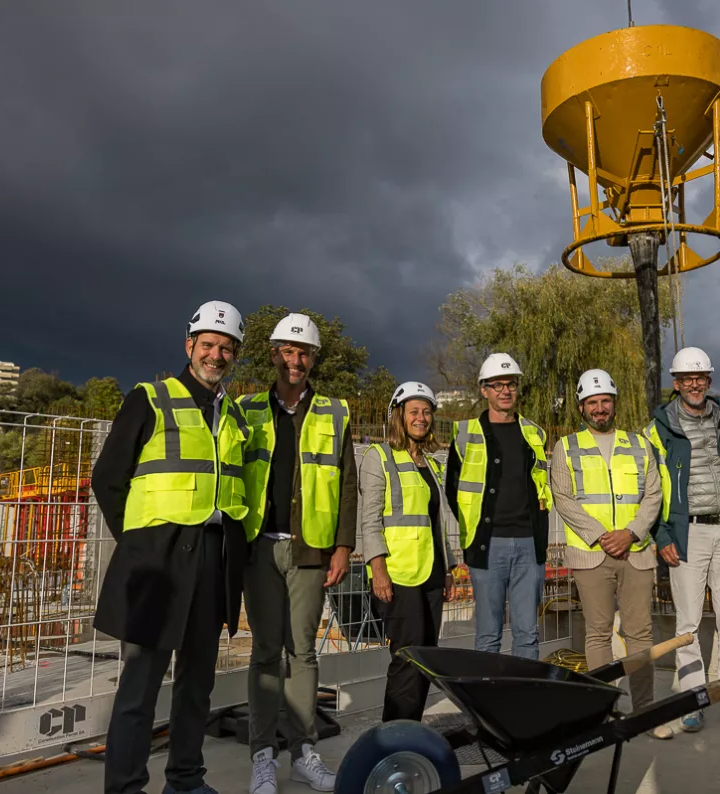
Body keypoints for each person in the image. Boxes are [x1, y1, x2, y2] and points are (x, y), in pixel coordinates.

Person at [92, 300, 250, 794]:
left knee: (196, 686)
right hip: (157, 560)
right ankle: (125, 787)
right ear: (189, 346)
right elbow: (107, 479)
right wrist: (138, 542)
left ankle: (186, 780)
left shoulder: (234, 414)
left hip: (211, 556)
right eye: (208, 344)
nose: (216, 355)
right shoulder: (150, 398)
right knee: (140, 687)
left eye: (226, 348)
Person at [237, 313, 357, 794]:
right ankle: (263, 755)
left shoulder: (334, 411)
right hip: (259, 549)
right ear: (273, 354)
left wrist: (343, 546)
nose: (296, 359)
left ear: (313, 359)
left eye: (303, 351)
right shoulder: (247, 409)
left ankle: (304, 752)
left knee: (303, 653)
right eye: (288, 350)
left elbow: (347, 484)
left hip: (310, 550)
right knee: (266, 653)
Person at [645, 347, 720, 733]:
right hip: (686, 533)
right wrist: (662, 534)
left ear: (709, 381)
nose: (694, 384)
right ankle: (693, 699)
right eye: (686, 379)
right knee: (688, 624)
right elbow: (652, 489)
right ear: (675, 384)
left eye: (700, 378)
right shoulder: (659, 428)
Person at [550, 370, 668, 736]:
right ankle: (601, 714)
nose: (600, 408)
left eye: (605, 401)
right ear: (582, 407)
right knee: (598, 634)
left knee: (639, 633)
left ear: (614, 403)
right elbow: (563, 498)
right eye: (592, 403)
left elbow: (654, 494)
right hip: (592, 553)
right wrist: (601, 535)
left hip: (636, 551)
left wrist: (631, 532)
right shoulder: (566, 447)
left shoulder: (638, 444)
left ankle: (644, 712)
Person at [360, 381, 457, 721]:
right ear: (398, 416)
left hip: (430, 573)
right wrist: (378, 570)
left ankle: (410, 728)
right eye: (414, 411)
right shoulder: (380, 456)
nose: (422, 418)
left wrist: (447, 568)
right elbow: (369, 519)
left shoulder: (430, 463)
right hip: (398, 576)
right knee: (406, 657)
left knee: (426, 654)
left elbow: (436, 521)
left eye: (427, 412)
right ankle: (395, 735)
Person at [445, 353, 551, 659]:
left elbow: (540, 485)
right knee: (488, 636)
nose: (505, 391)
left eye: (511, 384)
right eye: (497, 385)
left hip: (530, 545)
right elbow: (453, 490)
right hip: (488, 546)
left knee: (528, 635)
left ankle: (523, 702)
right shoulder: (464, 434)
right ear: (484, 389)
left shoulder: (533, 432)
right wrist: (475, 526)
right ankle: (488, 703)